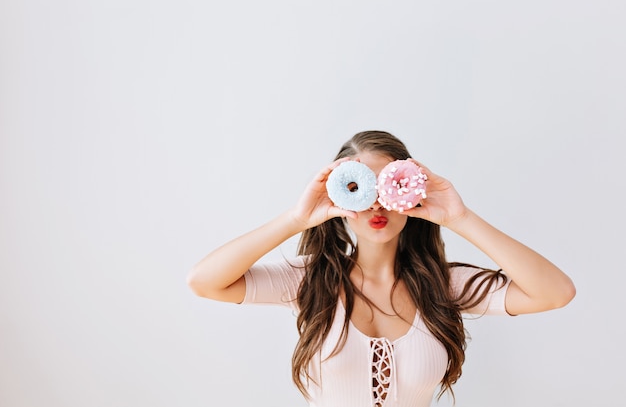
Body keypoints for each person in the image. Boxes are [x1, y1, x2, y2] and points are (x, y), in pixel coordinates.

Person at [187, 130, 576, 407]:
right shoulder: (311, 279)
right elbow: (204, 282)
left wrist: (459, 218)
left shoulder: (443, 285)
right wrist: (295, 218)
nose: (376, 206)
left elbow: (556, 293)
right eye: (359, 189)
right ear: (337, 196)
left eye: (387, 188)